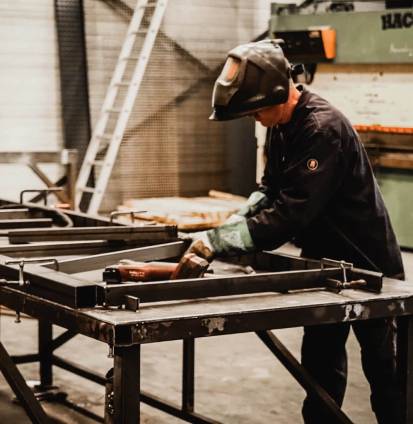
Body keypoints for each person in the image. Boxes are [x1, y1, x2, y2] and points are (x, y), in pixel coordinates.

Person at [189, 39, 405, 423]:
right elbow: (270, 189)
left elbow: (290, 215)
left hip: (369, 266)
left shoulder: (322, 128)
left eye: (256, 112)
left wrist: (218, 243)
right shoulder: (281, 126)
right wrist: (230, 225)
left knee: (385, 372)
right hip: (323, 262)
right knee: (320, 366)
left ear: (276, 94)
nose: (255, 120)